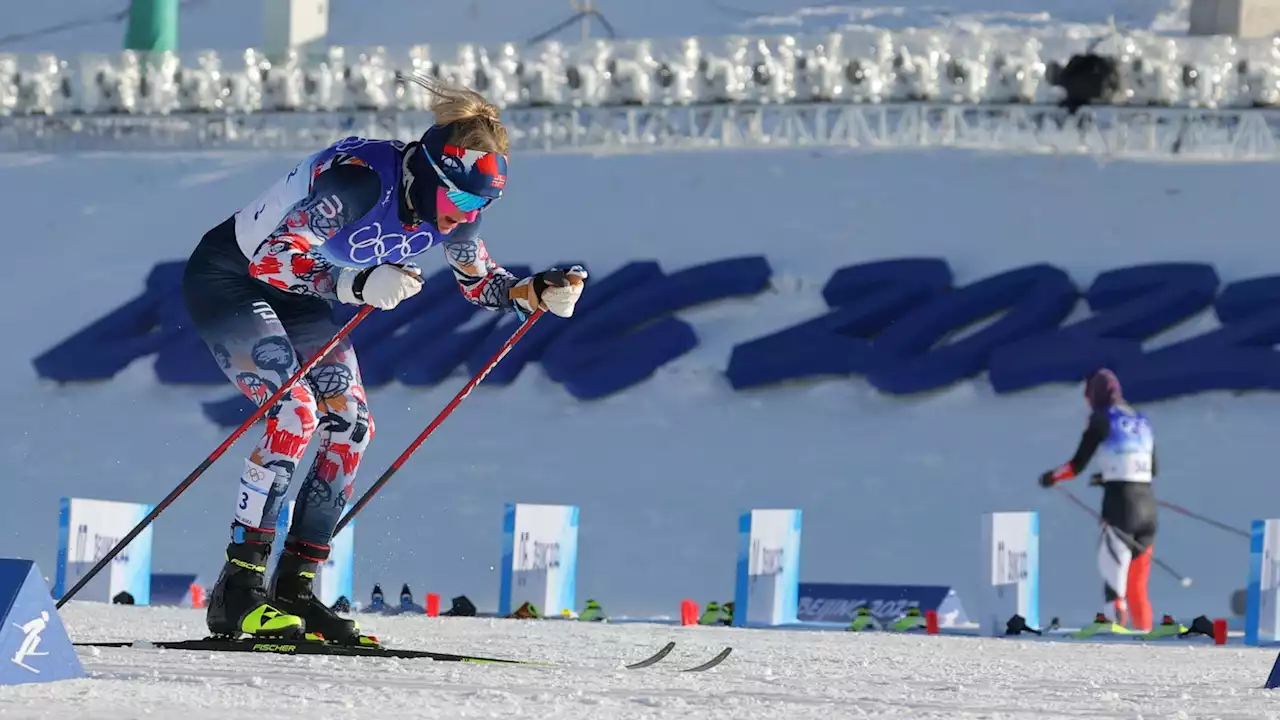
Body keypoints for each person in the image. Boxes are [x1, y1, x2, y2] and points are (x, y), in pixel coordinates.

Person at [181, 76, 587, 643]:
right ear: (426, 175)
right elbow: (272, 261)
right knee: (294, 414)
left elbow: (481, 286)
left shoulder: (458, 211)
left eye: (480, 203)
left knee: (352, 426)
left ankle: (293, 592)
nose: (462, 215)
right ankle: (238, 592)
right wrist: (358, 282)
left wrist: (535, 293)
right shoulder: (358, 183)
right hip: (232, 280)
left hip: (304, 295)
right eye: (458, 198)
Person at [1037, 368, 1158, 632]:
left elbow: (1076, 465)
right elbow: (1152, 468)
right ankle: (1148, 645)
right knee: (1138, 588)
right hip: (1148, 506)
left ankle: (1115, 646)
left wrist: (1051, 478)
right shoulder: (1141, 420)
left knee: (1115, 587)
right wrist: (1108, 477)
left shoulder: (1101, 419)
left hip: (1120, 507)